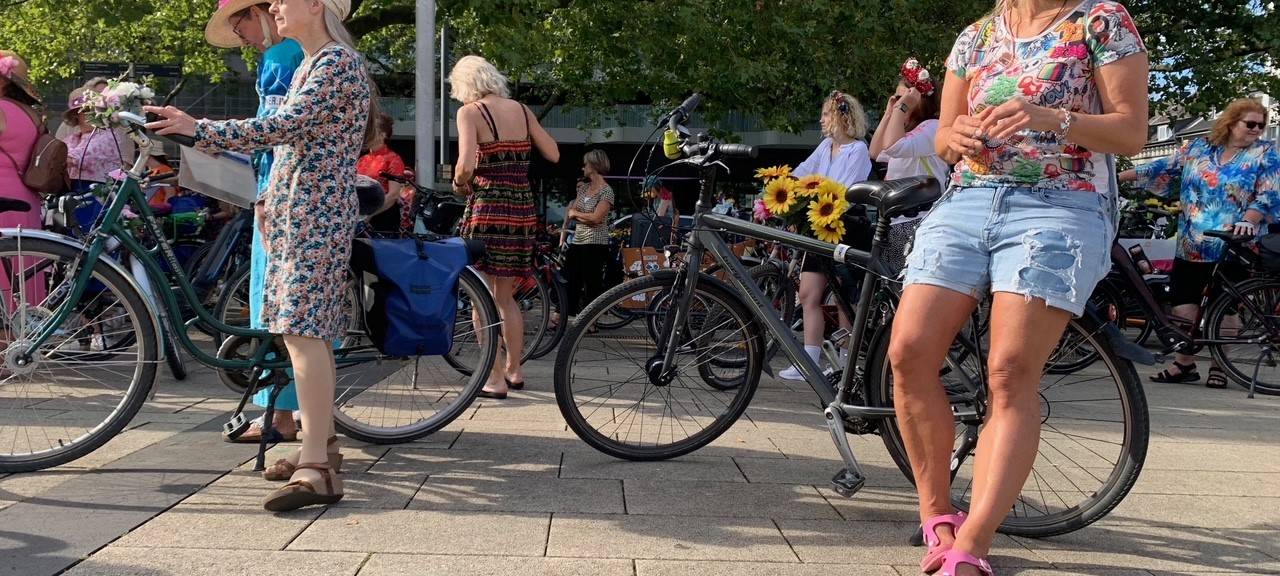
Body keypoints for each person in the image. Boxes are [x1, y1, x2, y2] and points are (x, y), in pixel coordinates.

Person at [891, 1, 1148, 574]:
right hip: (969, 199)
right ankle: (937, 514)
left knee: (1008, 370)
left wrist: (1046, 117)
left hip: (1062, 204)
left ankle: (973, 543)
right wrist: (953, 137)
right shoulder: (976, 35)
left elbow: (1132, 132)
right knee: (908, 354)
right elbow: (943, 140)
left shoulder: (1099, 20)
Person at [146, 0, 375, 512]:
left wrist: (196, 127)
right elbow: (292, 141)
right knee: (299, 336)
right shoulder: (318, 63)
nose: (273, 6)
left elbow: (282, 127)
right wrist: (269, 199)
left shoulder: (335, 63)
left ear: (314, 5)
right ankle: (321, 447)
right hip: (299, 211)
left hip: (313, 215)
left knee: (304, 336)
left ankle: (317, 467)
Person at [1119, 98, 1280, 389]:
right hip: (1192, 241)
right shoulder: (1199, 148)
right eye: (1250, 124)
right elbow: (1161, 167)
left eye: (1261, 125)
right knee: (1183, 303)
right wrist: (1114, 178)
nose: (1257, 129)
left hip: (1235, 243)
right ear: (1231, 123)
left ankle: (1220, 367)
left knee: (1226, 308)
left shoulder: (1264, 152)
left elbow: (1269, 193)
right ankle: (1184, 363)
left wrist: (1251, 219)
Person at [205, 0, 307, 445]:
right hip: (282, 186)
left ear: (263, 12)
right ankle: (284, 412)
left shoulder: (281, 56)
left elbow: (274, 131)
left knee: (274, 305)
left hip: (277, 190)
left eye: (239, 19)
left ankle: (281, 416)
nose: (238, 32)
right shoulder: (294, 53)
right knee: (280, 307)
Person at [451, 55, 560, 399]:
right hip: (521, 208)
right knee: (506, 296)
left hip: (488, 209)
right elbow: (554, 153)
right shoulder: (522, 110)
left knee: (480, 296)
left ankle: (494, 377)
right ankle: (515, 369)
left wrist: (458, 183)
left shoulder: (470, 112)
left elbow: (466, 165)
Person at [776, 91, 872, 381]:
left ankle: (846, 362)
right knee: (808, 293)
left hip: (846, 226)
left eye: (826, 114)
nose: (821, 119)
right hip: (821, 224)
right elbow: (803, 173)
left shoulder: (858, 149)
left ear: (842, 117)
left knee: (844, 296)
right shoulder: (825, 146)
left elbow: (843, 189)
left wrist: (810, 192)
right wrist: (786, 188)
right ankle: (810, 360)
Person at [869, 57, 950, 277]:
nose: (898, 102)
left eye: (903, 97)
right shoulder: (904, 130)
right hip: (896, 219)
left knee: (907, 284)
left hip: (919, 219)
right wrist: (889, 113)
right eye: (896, 97)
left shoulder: (932, 127)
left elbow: (894, 146)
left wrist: (902, 107)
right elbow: (876, 152)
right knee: (890, 284)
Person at [558, 150, 615, 323]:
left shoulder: (607, 191)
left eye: (586, 164)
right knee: (569, 278)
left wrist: (578, 214)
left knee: (592, 284)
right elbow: (571, 212)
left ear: (594, 166)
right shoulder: (583, 188)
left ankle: (591, 321)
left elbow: (597, 218)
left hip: (596, 243)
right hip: (578, 240)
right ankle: (563, 314)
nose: (583, 167)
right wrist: (581, 215)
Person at [62, 88, 128, 194]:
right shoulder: (71, 139)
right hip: (75, 194)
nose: (91, 114)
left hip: (102, 197)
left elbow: (76, 158)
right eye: (85, 110)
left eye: (94, 109)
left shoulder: (107, 136)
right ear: (75, 115)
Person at [356, 113, 409, 234]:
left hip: (383, 217)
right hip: (361, 215)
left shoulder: (393, 159)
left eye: (370, 131)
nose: (365, 135)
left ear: (383, 135)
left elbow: (393, 195)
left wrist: (369, 215)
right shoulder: (362, 160)